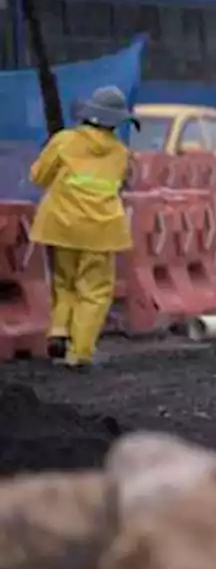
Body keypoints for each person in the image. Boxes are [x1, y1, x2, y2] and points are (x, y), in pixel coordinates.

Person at [29, 85, 138, 369]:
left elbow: (38, 177)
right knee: (94, 291)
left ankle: (59, 331)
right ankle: (80, 353)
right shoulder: (121, 152)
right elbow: (124, 183)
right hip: (102, 231)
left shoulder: (64, 141)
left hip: (61, 224)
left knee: (63, 282)